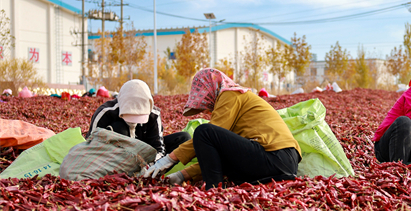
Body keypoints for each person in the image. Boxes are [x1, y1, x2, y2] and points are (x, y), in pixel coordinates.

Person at [144, 68, 301, 188]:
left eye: (205, 105)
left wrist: (170, 159)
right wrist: (182, 175)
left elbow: (208, 135)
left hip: (275, 156)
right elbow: (216, 155)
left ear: (209, 90)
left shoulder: (230, 95)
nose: (207, 111)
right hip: (283, 162)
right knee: (216, 144)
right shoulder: (236, 100)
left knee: (203, 131)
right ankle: (216, 190)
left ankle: (214, 190)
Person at [88, 79, 190, 159]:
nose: (134, 123)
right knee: (120, 127)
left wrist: (153, 165)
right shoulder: (106, 112)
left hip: (145, 151)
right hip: (114, 154)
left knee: (184, 138)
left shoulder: (153, 114)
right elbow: (91, 144)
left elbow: (159, 148)